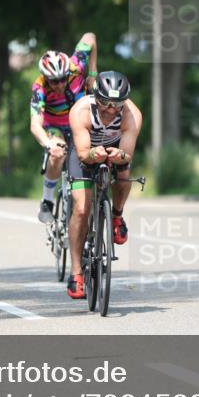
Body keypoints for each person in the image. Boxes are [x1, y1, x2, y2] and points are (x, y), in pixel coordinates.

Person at [65, 71, 142, 299]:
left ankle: (117, 215)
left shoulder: (132, 115)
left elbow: (127, 155)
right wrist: (92, 154)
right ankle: (76, 271)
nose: (110, 109)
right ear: (95, 97)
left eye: (117, 104)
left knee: (124, 174)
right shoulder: (80, 111)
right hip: (85, 151)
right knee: (81, 208)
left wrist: (119, 155)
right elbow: (82, 154)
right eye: (105, 103)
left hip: (114, 148)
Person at [29, 33, 98, 223]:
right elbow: (35, 124)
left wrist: (92, 73)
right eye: (54, 81)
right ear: (45, 78)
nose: (59, 84)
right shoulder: (39, 88)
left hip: (80, 122)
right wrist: (48, 145)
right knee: (58, 153)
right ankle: (47, 201)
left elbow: (90, 37)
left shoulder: (76, 65)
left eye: (63, 78)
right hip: (56, 126)